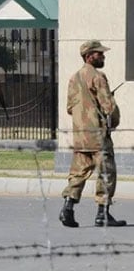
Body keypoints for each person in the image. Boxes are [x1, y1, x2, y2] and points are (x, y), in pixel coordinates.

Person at [59, 40, 126, 228]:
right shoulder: (98, 77)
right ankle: (102, 213)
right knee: (106, 172)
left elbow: (70, 108)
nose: (103, 56)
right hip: (97, 134)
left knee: (78, 173)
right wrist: (113, 121)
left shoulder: (74, 78)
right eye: (99, 54)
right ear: (89, 56)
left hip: (80, 135)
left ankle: (68, 208)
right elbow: (109, 106)